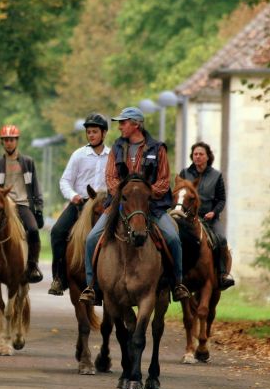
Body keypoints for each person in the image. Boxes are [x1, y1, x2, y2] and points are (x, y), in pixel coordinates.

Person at [79, 107, 190, 303]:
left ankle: (177, 284)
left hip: (151, 206)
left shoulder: (158, 148)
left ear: (136, 124)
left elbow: (164, 181)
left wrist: (144, 194)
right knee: (91, 239)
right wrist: (126, 195)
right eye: (119, 123)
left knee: (173, 237)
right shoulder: (117, 147)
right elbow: (110, 178)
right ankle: (92, 287)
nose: (120, 126)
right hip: (120, 205)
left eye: (123, 122)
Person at [48, 113, 110, 295]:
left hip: (105, 206)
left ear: (104, 133)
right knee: (57, 232)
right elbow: (64, 181)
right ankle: (59, 278)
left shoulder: (113, 156)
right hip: (80, 204)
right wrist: (73, 195)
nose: (91, 135)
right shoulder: (78, 155)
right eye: (88, 132)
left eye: (95, 132)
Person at [0, 124, 45, 283]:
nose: (8, 143)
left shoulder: (28, 162)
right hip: (3, 206)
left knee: (33, 230)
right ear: (1, 142)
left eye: (11, 140)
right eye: (5, 140)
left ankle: (32, 265)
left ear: (17, 141)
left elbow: (35, 186)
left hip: (22, 205)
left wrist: (39, 208)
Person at [179, 141, 235, 290]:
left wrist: (214, 212)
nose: (197, 157)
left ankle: (222, 274)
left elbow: (222, 199)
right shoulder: (184, 173)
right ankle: (171, 275)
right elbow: (177, 193)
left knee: (222, 239)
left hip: (209, 218)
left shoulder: (216, 176)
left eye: (201, 154)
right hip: (187, 219)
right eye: (195, 154)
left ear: (208, 157)